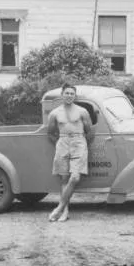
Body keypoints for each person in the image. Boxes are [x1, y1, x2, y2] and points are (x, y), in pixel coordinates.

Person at [47, 84, 94, 222]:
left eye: (71, 93)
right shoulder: (54, 113)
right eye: (66, 93)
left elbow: (89, 131)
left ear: (75, 96)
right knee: (64, 178)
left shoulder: (82, 111)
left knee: (75, 178)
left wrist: (82, 144)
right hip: (62, 143)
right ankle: (65, 212)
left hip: (79, 142)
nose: (69, 95)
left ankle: (59, 208)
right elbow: (50, 133)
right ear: (62, 95)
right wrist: (60, 142)